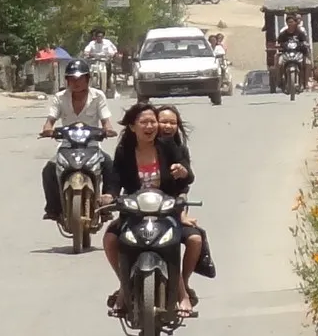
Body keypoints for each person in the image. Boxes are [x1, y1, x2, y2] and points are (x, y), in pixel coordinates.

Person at [103, 101, 208, 317]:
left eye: (153, 122)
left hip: (167, 211)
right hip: (133, 212)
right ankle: (124, 287)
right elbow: (114, 180)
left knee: (188, 240)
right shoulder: (123, 151)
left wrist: (182, 172)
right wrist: (109, 196)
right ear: (132, 126)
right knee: (111, 239)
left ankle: (182, 292)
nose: (150, 126)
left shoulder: (168, 146)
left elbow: (187, 176)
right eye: (144, 122)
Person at [40, 61, 114, 223]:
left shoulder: (98, 96)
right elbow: (50, 120)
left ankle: (106, 206)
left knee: (109, 164)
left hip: (92, 145)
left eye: (80, 78)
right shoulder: (60, 97)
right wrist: (48, 129)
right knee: (49, 170)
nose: (76, 82)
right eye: (72, 79)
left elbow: (106, 121)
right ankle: (53, 208)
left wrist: (108, 129)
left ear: (88, 79)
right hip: (67, 145)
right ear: (67, 80)